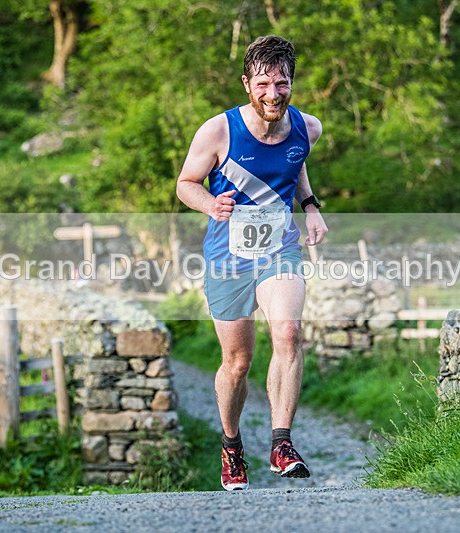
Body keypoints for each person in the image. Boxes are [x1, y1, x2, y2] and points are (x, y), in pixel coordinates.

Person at [176, 35, 328, 491]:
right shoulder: (218, 131)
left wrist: (312, 205)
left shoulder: (308, 127)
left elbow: (294, 163)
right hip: (228, 256)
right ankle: (231, 444)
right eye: (263, 83)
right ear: (247, 83)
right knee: (237, 362)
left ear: (292, 83)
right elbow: (185, 183)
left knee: (288, 332)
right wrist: (210, 206)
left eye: (281, 83)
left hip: (279, 247)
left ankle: (281, 442)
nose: (272, 93)